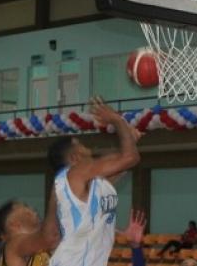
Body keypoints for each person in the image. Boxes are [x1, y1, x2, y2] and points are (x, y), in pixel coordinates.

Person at [47, 96, 142, 266]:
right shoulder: (75, 173)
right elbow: (130, 158)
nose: (86, 146)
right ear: (74, 157)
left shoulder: (89, 183)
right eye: (80, 144)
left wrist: (130, 139)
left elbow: (122, 164)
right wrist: (117, 120)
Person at [0, 196, 60, 266]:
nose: (32, 209)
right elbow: (49, 238)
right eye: (25, 206)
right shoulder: (13, 245)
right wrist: (56, 195)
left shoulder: (38, 246)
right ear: (14, 224)